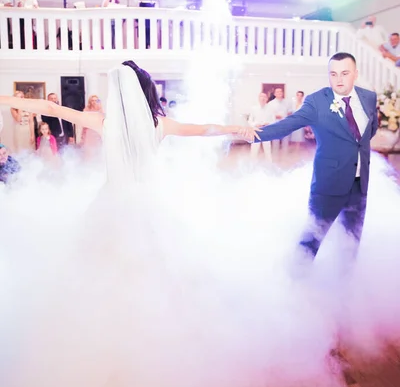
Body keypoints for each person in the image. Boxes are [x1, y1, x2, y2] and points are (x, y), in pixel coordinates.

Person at [0, 61, 257, 179]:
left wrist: (5, 99)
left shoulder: (102, 122)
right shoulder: (160, 123)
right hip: (148, 196)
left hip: (116, 197)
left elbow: (49, 108)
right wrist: (237, 129)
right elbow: (204, 130)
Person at [253, 52, 378, 264]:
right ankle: (297, 281)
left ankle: (345, 283)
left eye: (345, 73)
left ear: (355, 74)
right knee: (311, 239)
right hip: (328, 184)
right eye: (333, 74)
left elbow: (370, 131)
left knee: (351, 240)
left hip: (359, 184)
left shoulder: (368, 97)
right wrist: (252, 134)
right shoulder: (316, 101)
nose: (338, 79)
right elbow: (288, 125)